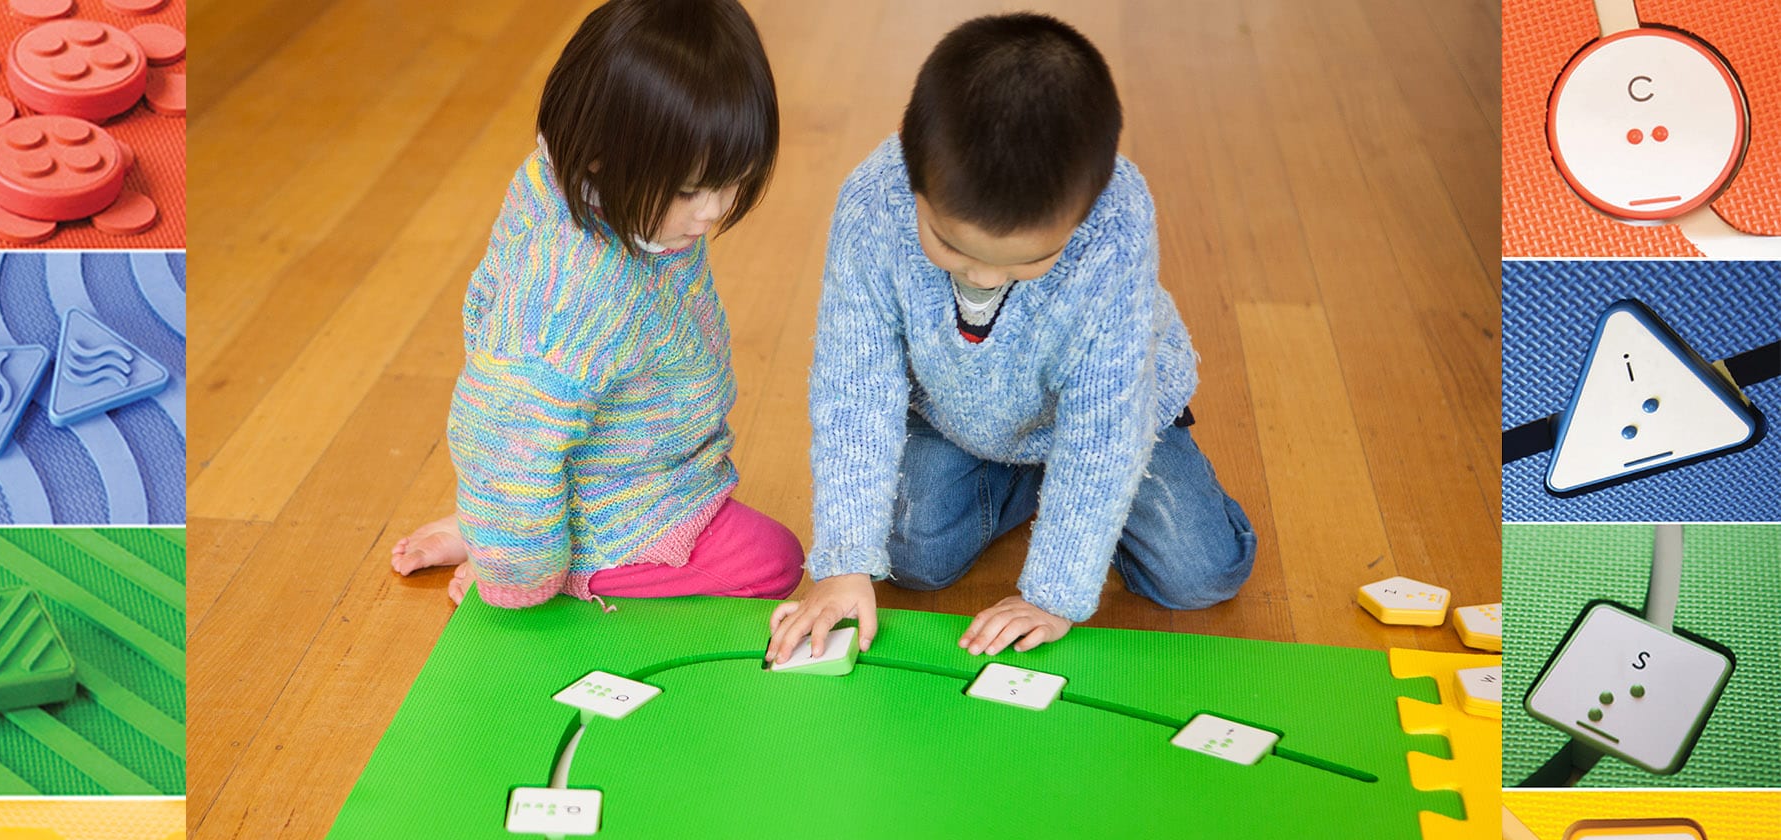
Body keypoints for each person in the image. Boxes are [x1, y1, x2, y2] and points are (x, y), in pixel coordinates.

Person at [767, 13, 1254, 663]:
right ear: (911, 177)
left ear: (1084, 212)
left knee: (1199, 575)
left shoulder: (1115, 224)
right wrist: (843, 561)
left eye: (1026, 261)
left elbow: (1105, 424)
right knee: (907, 557)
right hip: (952, 411)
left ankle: (1069, 493)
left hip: (1104, 415)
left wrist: (1054, 592)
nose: (982, 274)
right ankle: (1033, 486)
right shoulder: (873, 201)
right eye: (947, 244)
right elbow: (855, 386)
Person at [392, 0, 803, 608]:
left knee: (517, 487)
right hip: (613, 507)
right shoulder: (574, 297)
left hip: (635, 455)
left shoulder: (607, 190)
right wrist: (515, 573)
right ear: (599, 158)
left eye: (731, 180)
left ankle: (496, 528)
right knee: (777, 561)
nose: (712, 210)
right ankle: (544, 553)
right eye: (691, 189)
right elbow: (505, 433)